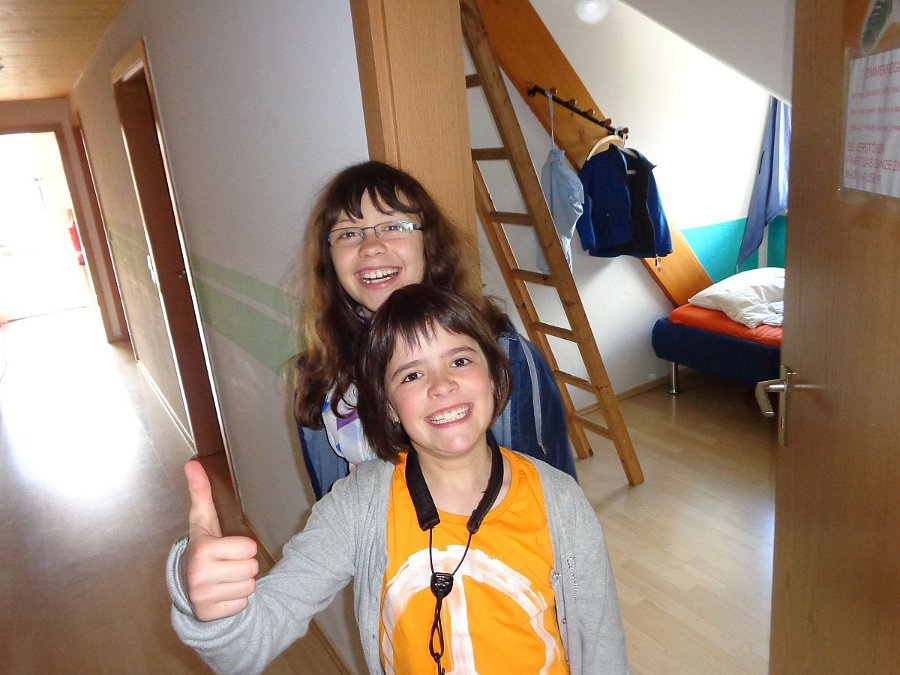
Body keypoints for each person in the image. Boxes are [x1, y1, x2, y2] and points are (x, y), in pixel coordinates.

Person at [167, 284, 628, 674]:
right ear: (387, 406)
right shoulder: (357, 506)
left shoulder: (560, 502)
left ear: (493, 376)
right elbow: (243, 648)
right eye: (411, 375)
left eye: (460, 361)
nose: (441, 385)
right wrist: (206, 603)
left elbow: (603, 650)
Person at [292, 160, 576, 500]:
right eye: (349, 233)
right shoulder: (320, 376)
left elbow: (553, 498)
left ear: (429, 243)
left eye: (393, 226)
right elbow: (330, 505)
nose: (370, 246)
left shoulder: (504, 353)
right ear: (328, 258)